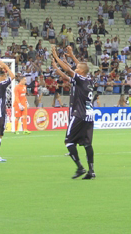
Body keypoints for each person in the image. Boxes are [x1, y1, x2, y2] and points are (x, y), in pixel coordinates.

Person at [51, 47, 96, 180]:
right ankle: (91, 171)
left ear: (80, 72)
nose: (75, 69)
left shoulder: (80, 79)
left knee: (68, 142)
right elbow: (71, 73)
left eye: (77, 69)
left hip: (79, 114)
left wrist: (57, 57)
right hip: (89, 115)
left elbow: (69, 71)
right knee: (87, 144)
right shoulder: (88, 80)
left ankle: (80, 167)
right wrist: (71, 56)